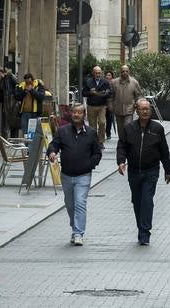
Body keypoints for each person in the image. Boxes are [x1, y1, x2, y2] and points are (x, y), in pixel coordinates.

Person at [116, 98, 170, 245]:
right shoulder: (129, 128)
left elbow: (164, 150)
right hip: (134, 171)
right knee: (137, 201)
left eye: (147, 109)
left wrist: (168, 169)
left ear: (150, 111)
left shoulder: (157, 129)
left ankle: (144, 233)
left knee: (147, 201)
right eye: (142, 109)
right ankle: (141, 227)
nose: (145, 111)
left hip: (151, 171)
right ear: (137, 111)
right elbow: (122, 146)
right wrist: (121, 162)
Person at [46, 104, 102, 246]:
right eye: (74, 112)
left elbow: (97, 153)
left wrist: (90, 165)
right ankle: (74, 227)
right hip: (66, 174)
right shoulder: (63, 131)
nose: (76, 115)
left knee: (80, 203)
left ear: (84, 115)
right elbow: (54, 144)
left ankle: (78, 233)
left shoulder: (91, 133)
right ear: (71, 114)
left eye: (80, 113)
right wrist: (52, 152)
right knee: (70, 205)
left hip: (83, 175)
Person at [82, 65, 112, 148]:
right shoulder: (88, 82)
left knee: (102, 122)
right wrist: (90, 92)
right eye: (96, 73)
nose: (98, 74)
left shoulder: (105, 82)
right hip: (91, 105)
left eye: (99, 73)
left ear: (101, 73)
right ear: (93, 73)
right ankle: (94, 142)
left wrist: (105, 93)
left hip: (102, 105)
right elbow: (83, 93)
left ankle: (101, 141)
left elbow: (110, 92)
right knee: (92, 125)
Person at [109, 65, 143, 134]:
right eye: (123, 71)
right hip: (118, 109)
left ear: (129, 72)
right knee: (120, 129)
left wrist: (138, 103)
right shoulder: (114, 82)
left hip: (129, 109)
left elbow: (139, 95)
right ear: (120, 72)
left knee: (127, 126)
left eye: (126, 71)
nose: (125, 73)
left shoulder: (134, 82)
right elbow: (110, 96)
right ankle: (122, 142)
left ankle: (128, 142)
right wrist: (110, 105)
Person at [0, 66, 20, 137]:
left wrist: (15, 97)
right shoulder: (3, 80)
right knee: (9, 121)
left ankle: (13, 137)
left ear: (0, 72)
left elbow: (17, 87)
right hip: (7, 104)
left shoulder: (10, 77)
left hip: (12, 103)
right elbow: (2, 92)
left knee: (13, 121)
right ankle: (8, 137)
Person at [104, 70, 116, 139]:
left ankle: (108, 133)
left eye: (109, 75)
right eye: (107, 75)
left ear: (112, 76)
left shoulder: (114, 83)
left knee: (109, 119)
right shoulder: (102, 83)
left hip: (111, 103)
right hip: (103, 103)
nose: (108, 76)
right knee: (102, 120)